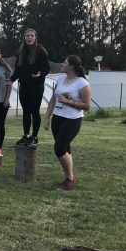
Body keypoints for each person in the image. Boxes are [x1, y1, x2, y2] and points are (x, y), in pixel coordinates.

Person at [44, 55, 91, 190]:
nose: (62, 64)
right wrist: (47, 117)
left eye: (65, 63)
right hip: (57, 118)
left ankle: (70, 178)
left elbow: (87, 106)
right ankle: (69, 177)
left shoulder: (82, 83)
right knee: (65, 148)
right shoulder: (60, 80)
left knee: (59, 148)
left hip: (72, 120)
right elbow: (53, 99)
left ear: (71, 66)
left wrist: (69, 102)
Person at [10, 28, 50, 146]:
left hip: (36, 86)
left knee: (35, 111)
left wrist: (40, 74)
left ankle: (34, 136)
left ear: (35, 37)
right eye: (27, 36)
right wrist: (11, 80)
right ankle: (26, 135)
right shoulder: (21, 52)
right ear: (24, 37)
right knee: (26, 112)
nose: (29, 38)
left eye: (32, 35)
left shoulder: (40, 50)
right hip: (24, 86)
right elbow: (17, 70)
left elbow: (46, 67)